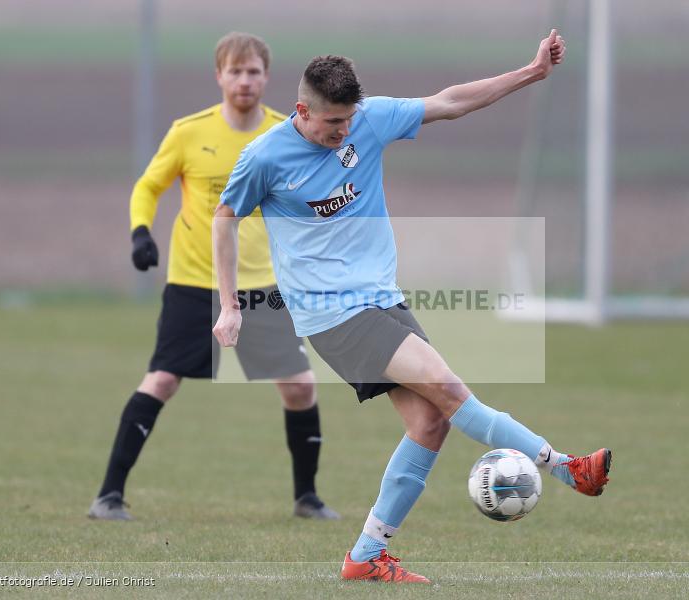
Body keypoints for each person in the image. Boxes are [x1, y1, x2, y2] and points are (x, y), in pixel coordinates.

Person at [213, 29, 610, 583]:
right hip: (332, 315)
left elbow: (450, 102)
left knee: (429, 423)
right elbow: (225, 219)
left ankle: (365, 555)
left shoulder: (367, 119)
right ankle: (568, 468)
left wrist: (531, 72)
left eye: (349, 120)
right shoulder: (264, 157)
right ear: (302, 110)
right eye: (332, 124)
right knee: (450, 391)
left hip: (382, 301)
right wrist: (230, 305)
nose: (344, 131)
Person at [89, 32, 338, 522]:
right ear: (219, 75)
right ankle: (108, 496)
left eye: (254, 71)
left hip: (264, 286)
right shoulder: (188, 131)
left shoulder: (287, 133)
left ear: (267, 77)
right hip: (194, 282)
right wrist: (141, 233)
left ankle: (307, 498)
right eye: (235, 70)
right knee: (161, 380)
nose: (244, 80)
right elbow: (148, 186)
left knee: (300, 387)